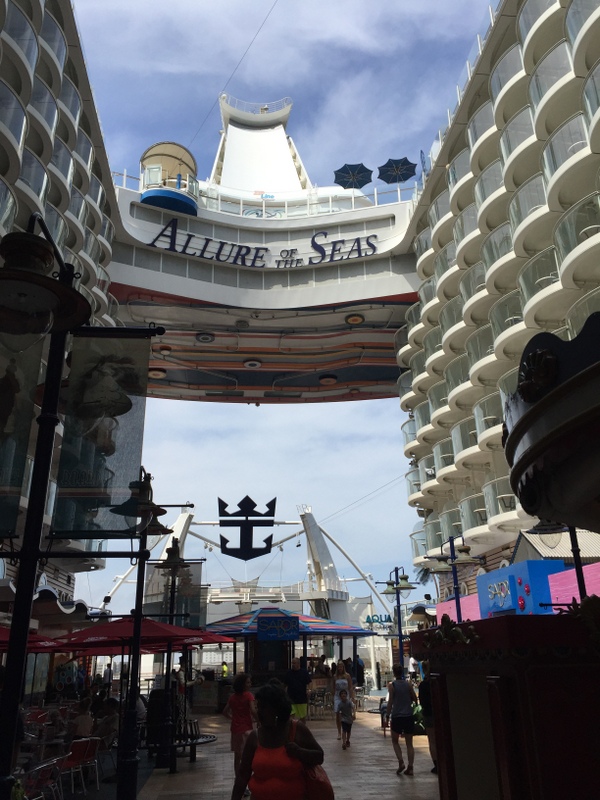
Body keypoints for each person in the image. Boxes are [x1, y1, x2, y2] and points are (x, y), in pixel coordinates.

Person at [231, 681, 324, 800]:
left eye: (263, 708)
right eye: (258, 707)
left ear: (277, 709)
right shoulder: (255, 737)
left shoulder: (296, 730)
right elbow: (243, 775)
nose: (259, 712)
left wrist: (299, 752)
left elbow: (319, 756)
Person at [223, 673, 257, 788]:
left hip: (235, 729)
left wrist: (233, 718)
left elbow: (225, 711)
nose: (250, 684)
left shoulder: (232, 697)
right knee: (248, 757)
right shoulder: (249, 696)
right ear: (243, 684)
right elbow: (253, 710)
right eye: (248, 682)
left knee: (237, 756)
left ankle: (238, 781)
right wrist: (259, 720)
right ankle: (248, 781)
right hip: (247, 728)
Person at [386, 663, 418, 776]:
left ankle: (401, 762)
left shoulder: (392, 686)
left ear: (394, 673)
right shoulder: (408, 684)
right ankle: (411, 767)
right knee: (409, 743)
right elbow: (415, 698)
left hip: (397, 716)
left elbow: (390, 702)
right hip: (408, 715)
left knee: (395, 741)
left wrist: (387, 714)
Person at [419, 661, 437, 773]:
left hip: (428, 714)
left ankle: (436, 763)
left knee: (432, 740)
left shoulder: (423, 685)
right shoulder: (436, 683)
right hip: (438, 713)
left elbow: (422, 702)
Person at [332, 659, 355, 740]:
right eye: (338, 667)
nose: (340, 668)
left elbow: (350, 687)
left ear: (343, 667)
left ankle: (346, 729)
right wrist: (333, 697)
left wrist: (352, 697)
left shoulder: (347, 676)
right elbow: (333, 688)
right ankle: (339, 732)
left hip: (346, 695)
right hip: (337, 695)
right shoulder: (335, 676)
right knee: (337, 713)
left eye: (341, 667)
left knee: (346, 712)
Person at [284, 657, 312, 723]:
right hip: (291, 698)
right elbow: (285, 685)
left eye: (294, 663)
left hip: (301, 698)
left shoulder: (304, 672)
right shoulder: (289, 673)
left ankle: (302, 728)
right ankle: (291, 728)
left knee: (302, 717)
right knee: (291, 716)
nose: (293, 665)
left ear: (298, 664)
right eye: (292, 663)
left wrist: (309, 690)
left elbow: (309, 682)